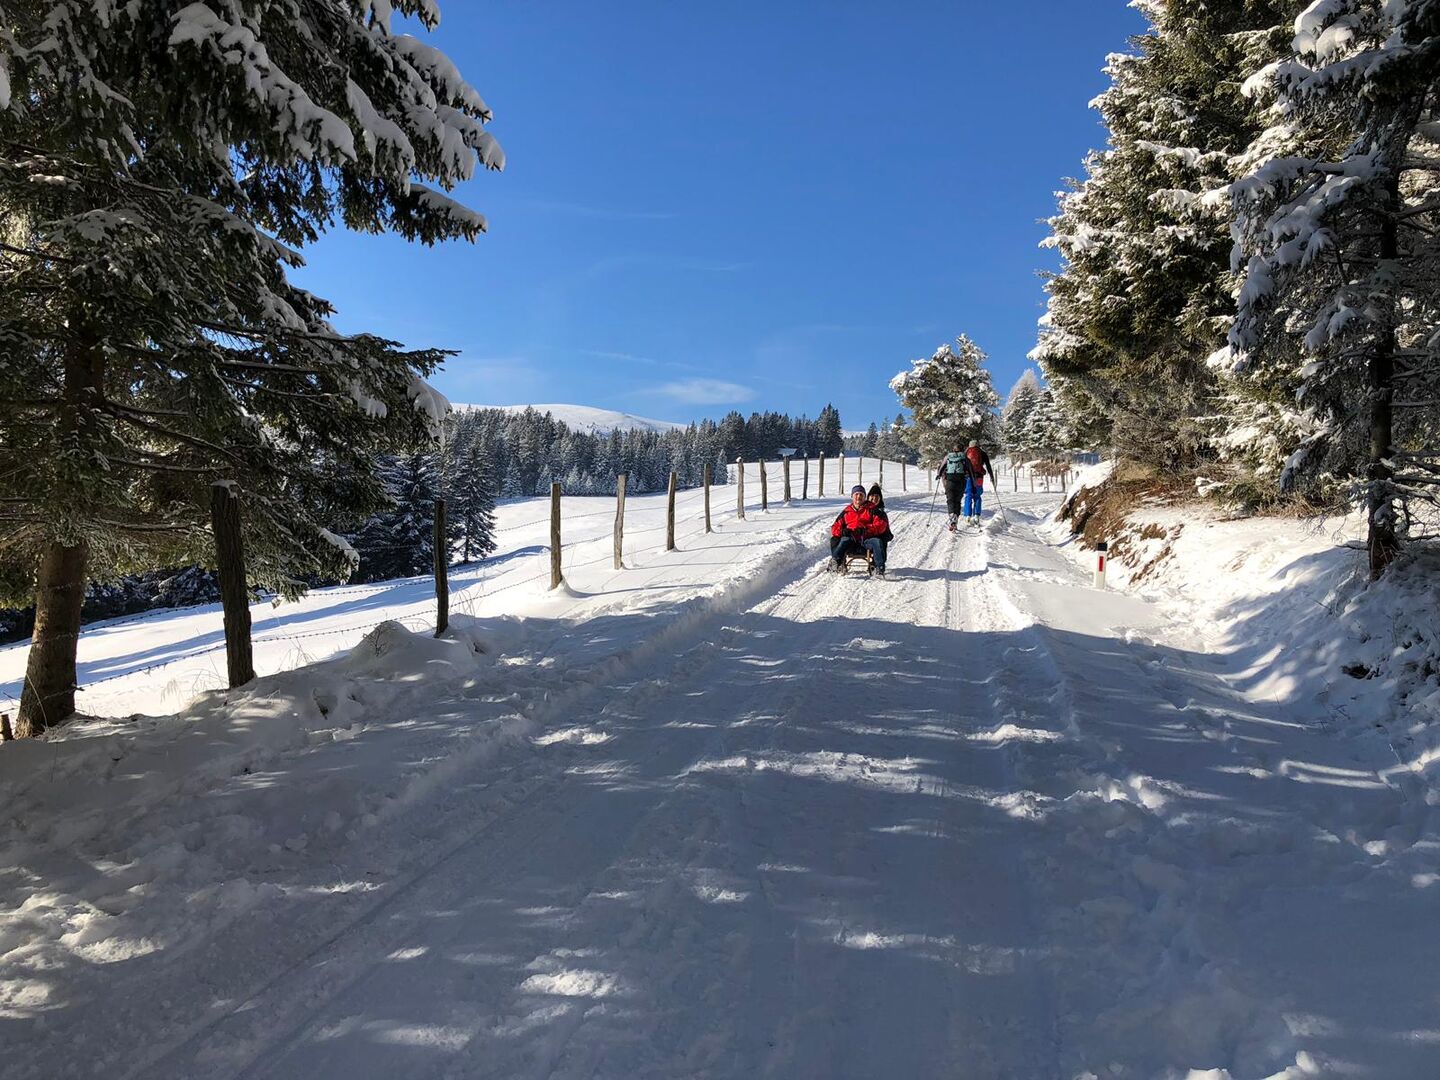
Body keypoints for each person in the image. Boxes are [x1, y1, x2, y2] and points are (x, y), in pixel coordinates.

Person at [830, 485, 888, 575]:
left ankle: (879, 567)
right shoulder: (847, 511)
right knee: (842, 540)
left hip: (866, 539)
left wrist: (867, 530)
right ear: (852, 497)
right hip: (851, 539)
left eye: (861, 495)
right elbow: (835, 527)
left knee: (877, 542)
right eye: (856, 494)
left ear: (865, 497)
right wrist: (842, 532)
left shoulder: (872, 509)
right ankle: (836, 562)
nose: (858, 497)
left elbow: (880, 525)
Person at [936, 441, 969, 532]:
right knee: (957, 501)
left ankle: (952, 516)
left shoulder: (948, 457)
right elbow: (970, 469)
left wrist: (939, 475)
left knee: (950, 500)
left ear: (953, 449)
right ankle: (956, 518)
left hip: (949, 481)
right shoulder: (964, 457)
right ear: (962, 449)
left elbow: (942, 467)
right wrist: (973, 480)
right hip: (961, 481)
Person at [962, 439, 997, 525]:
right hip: (979, 477)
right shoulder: (982, 453)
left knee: (968, 495)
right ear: (978, 445)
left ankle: (967, 515)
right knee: (977, 495)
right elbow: (988, 466)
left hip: (968, 477)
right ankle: (977, 515)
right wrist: (992, 477)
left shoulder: (966, 452)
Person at [866, 483, 892, 567]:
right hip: (864, 536)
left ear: (880, 499)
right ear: (868, 497)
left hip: (879, 535)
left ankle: (879, 565)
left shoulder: (881, 513)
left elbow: (881, 526)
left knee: (879, 541)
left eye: (876, 496)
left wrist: (867, 529)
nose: (874, 499)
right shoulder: (863, 509)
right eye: (872, 496)